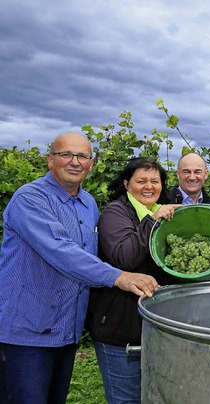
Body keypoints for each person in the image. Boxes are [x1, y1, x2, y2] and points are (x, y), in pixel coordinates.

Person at [0, 133, 159, 404]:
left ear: (91, 163)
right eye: (66, 155)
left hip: (65, 330)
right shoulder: (30, 199)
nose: (75, 162)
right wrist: (119, 277)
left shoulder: (88, 205)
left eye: (82, 156)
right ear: (50, 159)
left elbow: (92, 257)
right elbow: (60, 251)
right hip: (27, 332)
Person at [85, 157, 181, 403]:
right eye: (141, 181)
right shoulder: (116, 212)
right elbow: (124, 257)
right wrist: (152, 221)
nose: (149, 186)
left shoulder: (164, 211)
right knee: (125, 399)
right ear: (127, 184)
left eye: (155, 181)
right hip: (119, 331)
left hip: (154, 331)